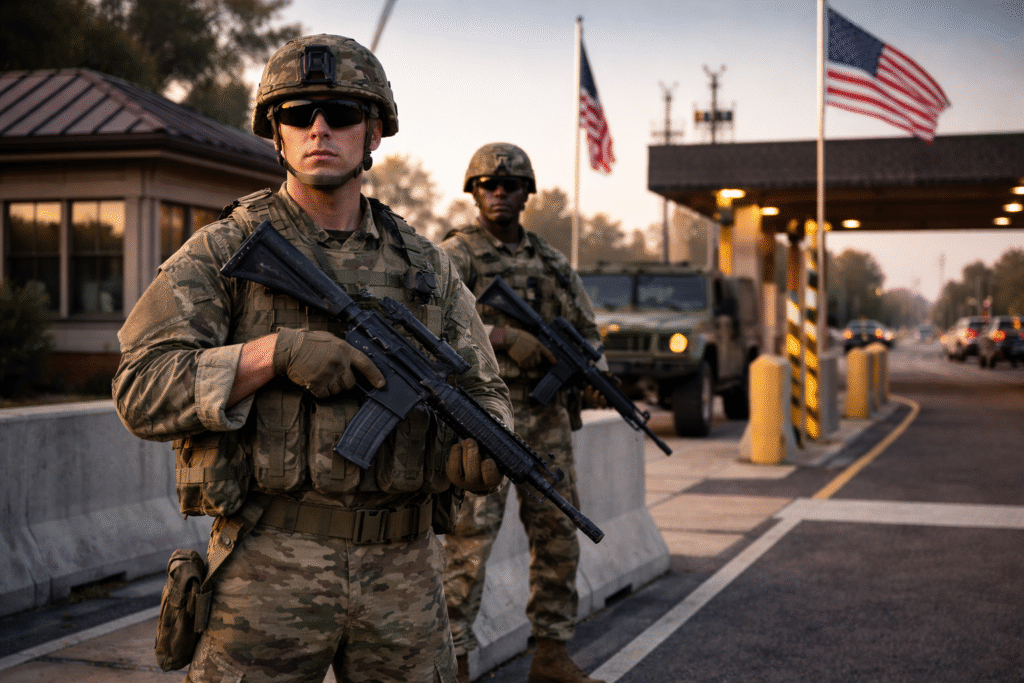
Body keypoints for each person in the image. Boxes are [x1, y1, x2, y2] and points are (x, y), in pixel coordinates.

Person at [112, 35, 512, 683]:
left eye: (342, 113)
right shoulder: (226, 252)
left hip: (404, 572)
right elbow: (140, 388)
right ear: (276, 131)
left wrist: (482, 449)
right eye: (297, 113)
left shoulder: (427, 266)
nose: (319, 127)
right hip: (267, 568)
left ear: (375, 130)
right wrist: (274, 353)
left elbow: (486, 394)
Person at [440, 143, 608, 683]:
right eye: (488, 184)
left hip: (545, 420)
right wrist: (503, 336)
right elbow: (429, 320)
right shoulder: (456, 255)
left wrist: (583, 364)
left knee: (558, 534)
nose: (499, 193)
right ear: (474, 191)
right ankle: (455, 659)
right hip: (481, 416)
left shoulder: (550, 262)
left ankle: (552, 654)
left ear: (526, 194)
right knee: (468, 543)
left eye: (510, 186)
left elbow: (587, 330)